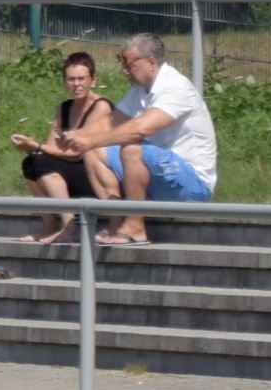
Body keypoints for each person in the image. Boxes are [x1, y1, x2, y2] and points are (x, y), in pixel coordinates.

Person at [58, 33, 217, 246]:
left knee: (132, 148)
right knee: (94, 153)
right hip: (159, 175)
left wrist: (92, 140)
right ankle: (117, 223)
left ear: (151, 62)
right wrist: (77, 135)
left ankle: (136, 227)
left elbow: (140, 129)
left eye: (129, 64)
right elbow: (111, 122)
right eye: (121, 62)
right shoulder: (140, 91)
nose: (124, 70)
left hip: (193, 185)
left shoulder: (176, 87)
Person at [8, 51, 113, 244]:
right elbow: (50, 147)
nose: (76, 84)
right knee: (31, 163)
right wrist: (29, 147)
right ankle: (49, 227)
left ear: (93, 80)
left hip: (94, 176)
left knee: (41, 162)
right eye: (71, 79)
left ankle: (69, 226)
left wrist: (37, 146)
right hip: (72, 171)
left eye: (81, 79)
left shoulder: (101, 107)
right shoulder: (63, 108)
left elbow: (75, 153)